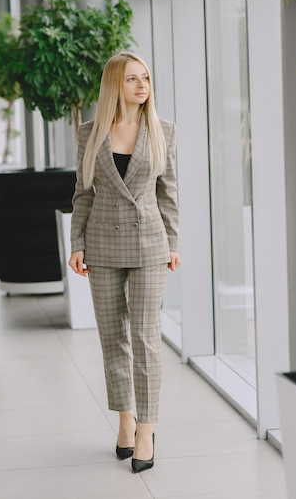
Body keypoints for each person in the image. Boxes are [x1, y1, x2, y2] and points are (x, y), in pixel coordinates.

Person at [68, 52, 181, 473]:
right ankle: (124, 420)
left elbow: (168, 192)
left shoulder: (163, 131)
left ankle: (147, 429)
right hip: (102, 242)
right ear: (115, 84)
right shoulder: (89, 133)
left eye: (146, 78)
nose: (141, 85)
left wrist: (173, 242)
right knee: (113, 336)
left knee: (146, 337)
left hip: (150, 242)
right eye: (132, 78)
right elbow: (83, 193)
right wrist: (77, 242)